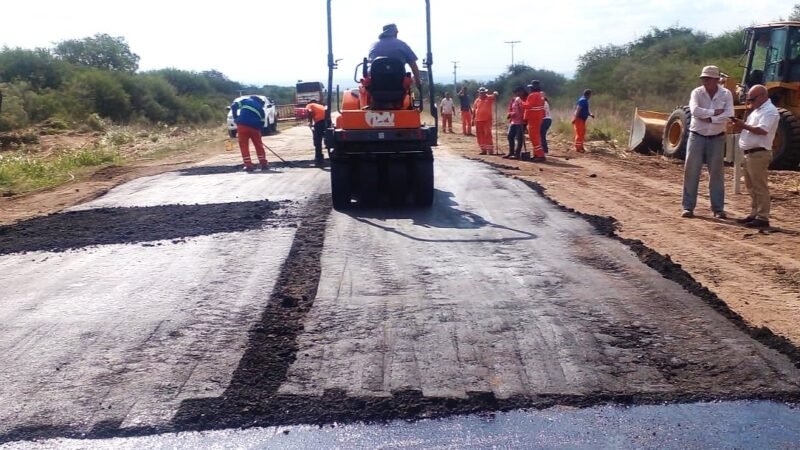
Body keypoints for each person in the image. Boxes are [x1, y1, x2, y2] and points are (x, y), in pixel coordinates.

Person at [681, 65, 734, 219]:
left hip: (717, 137)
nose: (705, 81)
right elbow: (695, 111)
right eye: (704, 78)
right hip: (697, 136)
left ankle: (718, 209)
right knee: (691, 172)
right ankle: (688, 207)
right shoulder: (697, 92)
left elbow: (729, 114)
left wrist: (709, 118)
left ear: (717, 80)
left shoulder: (726, 94)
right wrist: (714, 114)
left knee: (717, 174)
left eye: (708, 79)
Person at [730, 84, 780, 228]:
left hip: (759, 153)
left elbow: (763, 130)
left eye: (752, 98)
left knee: (759, 186)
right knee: (751, 187)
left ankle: (763, 217)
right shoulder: (757, 111)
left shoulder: (770, 111)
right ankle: (755, 214)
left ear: (763, 96)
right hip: (750, 154)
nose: (750, 102)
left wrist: (743, 126)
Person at [368, 24, 423, 92]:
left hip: (376, 85)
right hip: (398, 85)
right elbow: (413, 65)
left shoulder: (373, 46)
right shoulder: (402, 45)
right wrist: (418, 82)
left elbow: (370, 65)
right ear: (395, 32)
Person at [231, 96, 268, 171]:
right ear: (260, 102)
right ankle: (263, 164)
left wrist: (236, 118)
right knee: (258, 145)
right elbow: (262, 123)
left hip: (242, 126)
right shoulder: (261, 110)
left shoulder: (245, 101)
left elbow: (233, 106)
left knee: (244, 145)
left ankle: (248, 165)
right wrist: (258, 133)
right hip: (255, 128)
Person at [521, 80, 546, 162]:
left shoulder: (533, 95)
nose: (530, 89)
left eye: (531, 88)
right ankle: (536, 154)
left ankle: (540, 155)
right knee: (536, 137)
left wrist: (520, 102)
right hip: (538, 118)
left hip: (533, 118)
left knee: (534, 137)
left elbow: (528, 105)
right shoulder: (541, 95)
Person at [472, 87, 498, 155]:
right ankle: (483, 150)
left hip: (487, 120)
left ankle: (490, 150)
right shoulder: (477, 100)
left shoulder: (489, 98)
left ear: (485, 92)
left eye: (483, 92)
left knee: (488, 134)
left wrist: (495, 93)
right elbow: (474, 110)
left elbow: (494, 95)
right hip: (478, 120)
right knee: (480, 135)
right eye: (480, 93)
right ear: (479, 93)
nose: (482, 94)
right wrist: (473, 119)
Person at [504, 86, 526, 159]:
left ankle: (517, 154)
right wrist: (510, 113)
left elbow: (525, 109)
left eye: (520, 92)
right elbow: (510, 108)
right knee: (510, 136)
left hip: (521, 121)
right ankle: (511, 152)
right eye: (517, 92)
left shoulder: (525, 99)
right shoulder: (514, 99)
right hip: (513, 121)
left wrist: (524, 119)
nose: (518, 93)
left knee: (519, 138)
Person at [306, 99, 327, 165]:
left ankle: (319, 158)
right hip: (326, 121)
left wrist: (310, 122)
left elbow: (309, 111)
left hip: (319, 122)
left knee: (317, 141)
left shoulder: (309, 105)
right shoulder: (321, 106)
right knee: (328, 139)